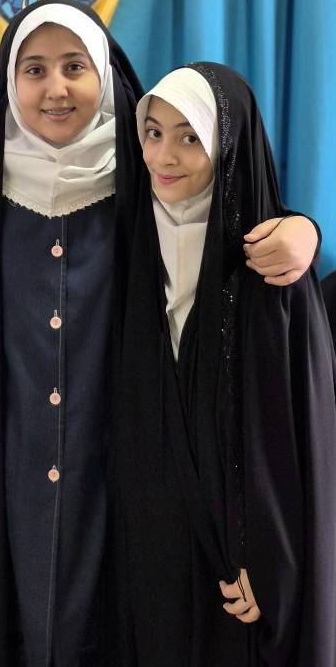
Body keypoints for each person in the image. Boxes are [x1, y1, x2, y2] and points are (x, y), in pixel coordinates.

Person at [0, 4, 320, 667]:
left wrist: (302, 228)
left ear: (104, 72)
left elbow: (230, 188)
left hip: (121, 457)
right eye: (34, 70)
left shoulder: (144, 156)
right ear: (10, 78)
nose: (55, 89)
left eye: (74, 67)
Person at [113, 63, 336, 666]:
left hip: (241, 575)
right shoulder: (126, 248)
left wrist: (272, 561)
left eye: (190, 137)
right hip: (149, 561)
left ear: (228, 146)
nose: (164, 156)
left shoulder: (272, 271)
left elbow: (297, 439)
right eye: (153, 132)